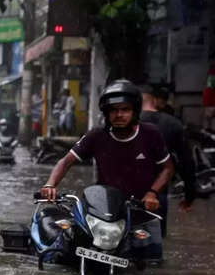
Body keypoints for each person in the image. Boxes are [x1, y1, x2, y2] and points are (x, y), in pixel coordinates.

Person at [39, 80, 174, 260]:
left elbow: (167, 168)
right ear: (106, 113)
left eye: (125, 109)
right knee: (72, 252)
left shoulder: (150, 134)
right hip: (104, 209)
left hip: (140, 209)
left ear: (134, 111)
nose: (119, 115)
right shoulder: (97, 135)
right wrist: (50, 184)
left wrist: (152, 193)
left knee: (150, 262)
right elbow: (66, 162)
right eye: (113, 110)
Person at [140, 85, 196, 235]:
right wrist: (190, 196)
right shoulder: (173, 123)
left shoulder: (125, 123)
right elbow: (187, 162)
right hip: (159, 191)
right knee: (157, 240)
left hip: (127, 190)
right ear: (155, 100)